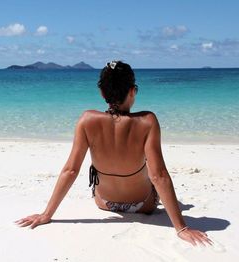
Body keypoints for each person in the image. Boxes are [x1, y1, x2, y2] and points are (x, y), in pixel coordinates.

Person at [15, 60, 212, 246]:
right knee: (149, 174)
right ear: (133, 91)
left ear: (102, 93)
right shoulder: (147, 121)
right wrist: (181, 227)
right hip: (143, 205)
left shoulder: (87, 120)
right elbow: (158, 176)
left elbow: (71, 171)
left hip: (105, 203)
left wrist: (46, 214)